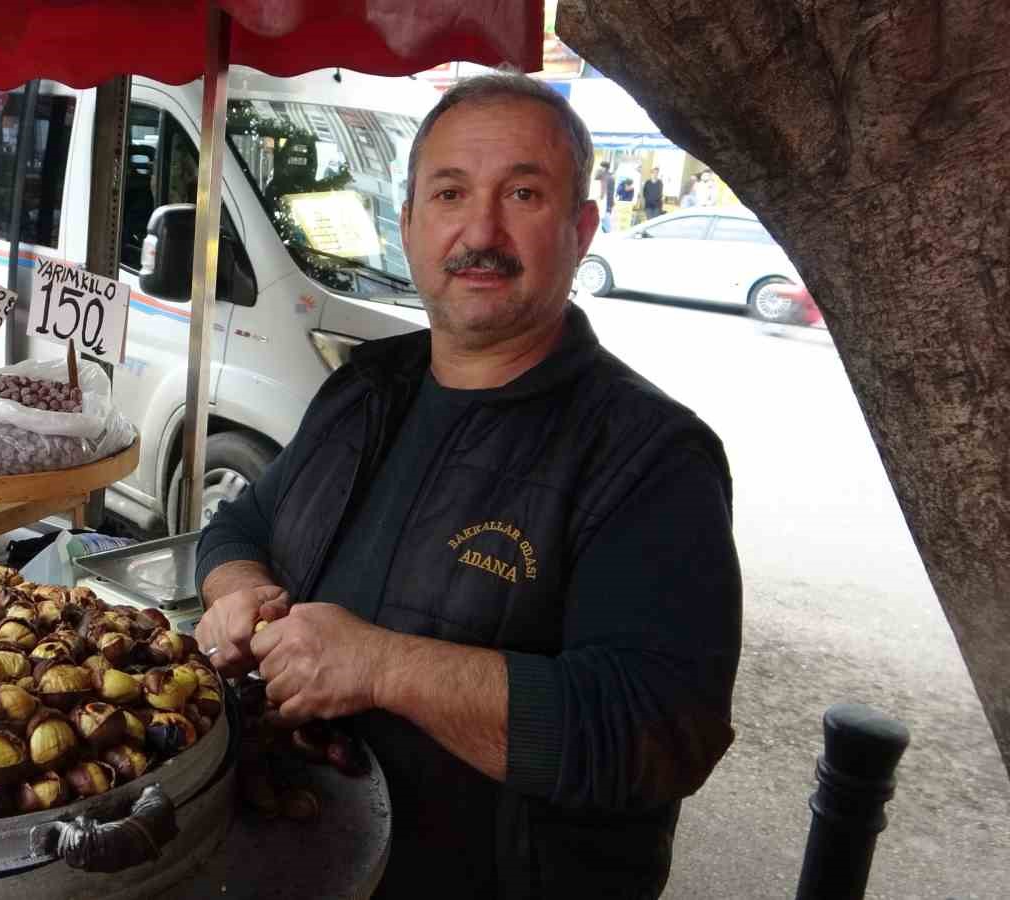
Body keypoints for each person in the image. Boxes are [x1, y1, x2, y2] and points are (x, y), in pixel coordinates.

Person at [194, 72, 741, 898]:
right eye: (449, 193)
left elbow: (656, 729)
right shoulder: (363, 387)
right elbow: (242, 527)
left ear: (581, 227)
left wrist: (380, 667)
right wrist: (239, 592)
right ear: (409, 222)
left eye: (523, 192)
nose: (479, 231)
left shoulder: (650, 455)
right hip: (310, 860)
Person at [593, 160, 613, 233]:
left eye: (601, 167)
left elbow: (609, 193)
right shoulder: (607, 177)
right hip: (602, 203)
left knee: (604, 220)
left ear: (604, 168)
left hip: (603, 203)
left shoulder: (608, 178)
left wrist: (609, 205)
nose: (599, 168)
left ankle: (608, 232)